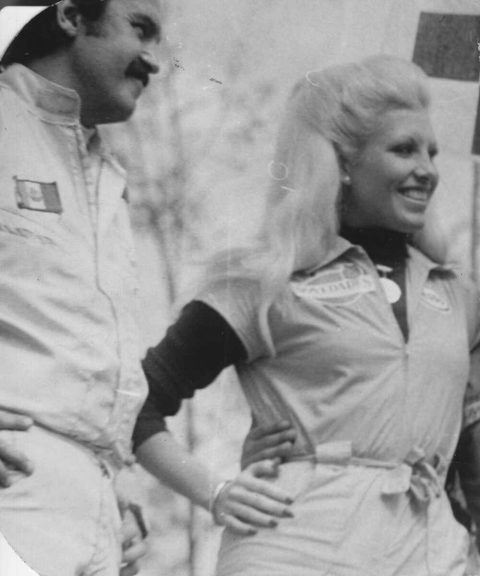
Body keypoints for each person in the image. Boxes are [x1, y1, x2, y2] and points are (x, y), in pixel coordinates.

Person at [129, 54, 480, 576]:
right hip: (295, 548)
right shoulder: (265, 282)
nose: (427, 170)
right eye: (403, 149)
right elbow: (132, 402)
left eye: (431, 152)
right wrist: (215, 491)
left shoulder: (460, 297)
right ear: (343, 163)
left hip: (429, 553)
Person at [0, 2, 291, 574]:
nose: (155, 61)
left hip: (97, 510)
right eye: (141, 30)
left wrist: (109, 489)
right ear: (71, 16)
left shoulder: (108, 177)